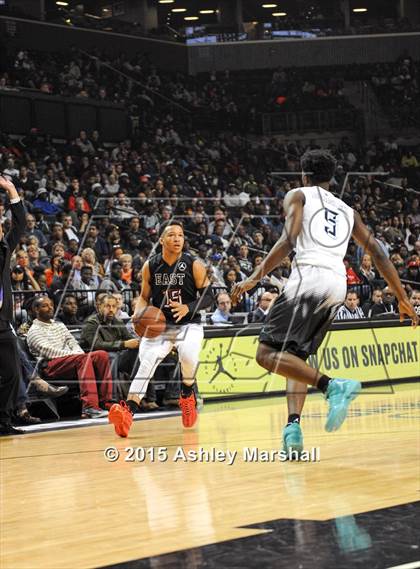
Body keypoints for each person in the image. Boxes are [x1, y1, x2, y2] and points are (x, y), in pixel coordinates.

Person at [232, 149, 418, 455]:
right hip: (338, 285)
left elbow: (289, 240)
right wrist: (402, 297)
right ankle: (293, 429)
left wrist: (254, 276)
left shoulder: (298, 195)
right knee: (294, 359)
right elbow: (380, 254)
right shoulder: (348, 210)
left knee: (265, 354)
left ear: (304, 175)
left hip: (309, 279)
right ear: (331, 178)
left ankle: (333, 386)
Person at [109, 221, 214, 437]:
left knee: (188, 356)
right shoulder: (151, 265)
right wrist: (138, 314)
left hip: (188, 324)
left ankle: (187, 394)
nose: (177, 239)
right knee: (146, 364)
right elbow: (144, 298)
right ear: (161, 240)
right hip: (159, 326)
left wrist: (188, 307)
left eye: (181, 235)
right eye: (172, 235)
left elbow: (209, 296)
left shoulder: (193, 264)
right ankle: (127, 411)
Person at [27, 296, 113, 419]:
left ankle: (106, 403)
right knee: (83, 359)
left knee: (101, 355)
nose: (50, 307)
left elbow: (72, 342)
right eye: (45, 306)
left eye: (51, 304)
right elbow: (49, 352)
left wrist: (78, 354)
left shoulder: (59, 325)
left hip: (71, 360)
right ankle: (90, 407)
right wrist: (77, 356)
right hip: (51, 366)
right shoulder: (34, 331)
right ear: (36, 309)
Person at [0, 175, 27, 435]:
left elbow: (20, 224)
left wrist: (11, 190)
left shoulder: (4, 250)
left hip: (2, 323)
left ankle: (4, 421)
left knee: (11, 373)